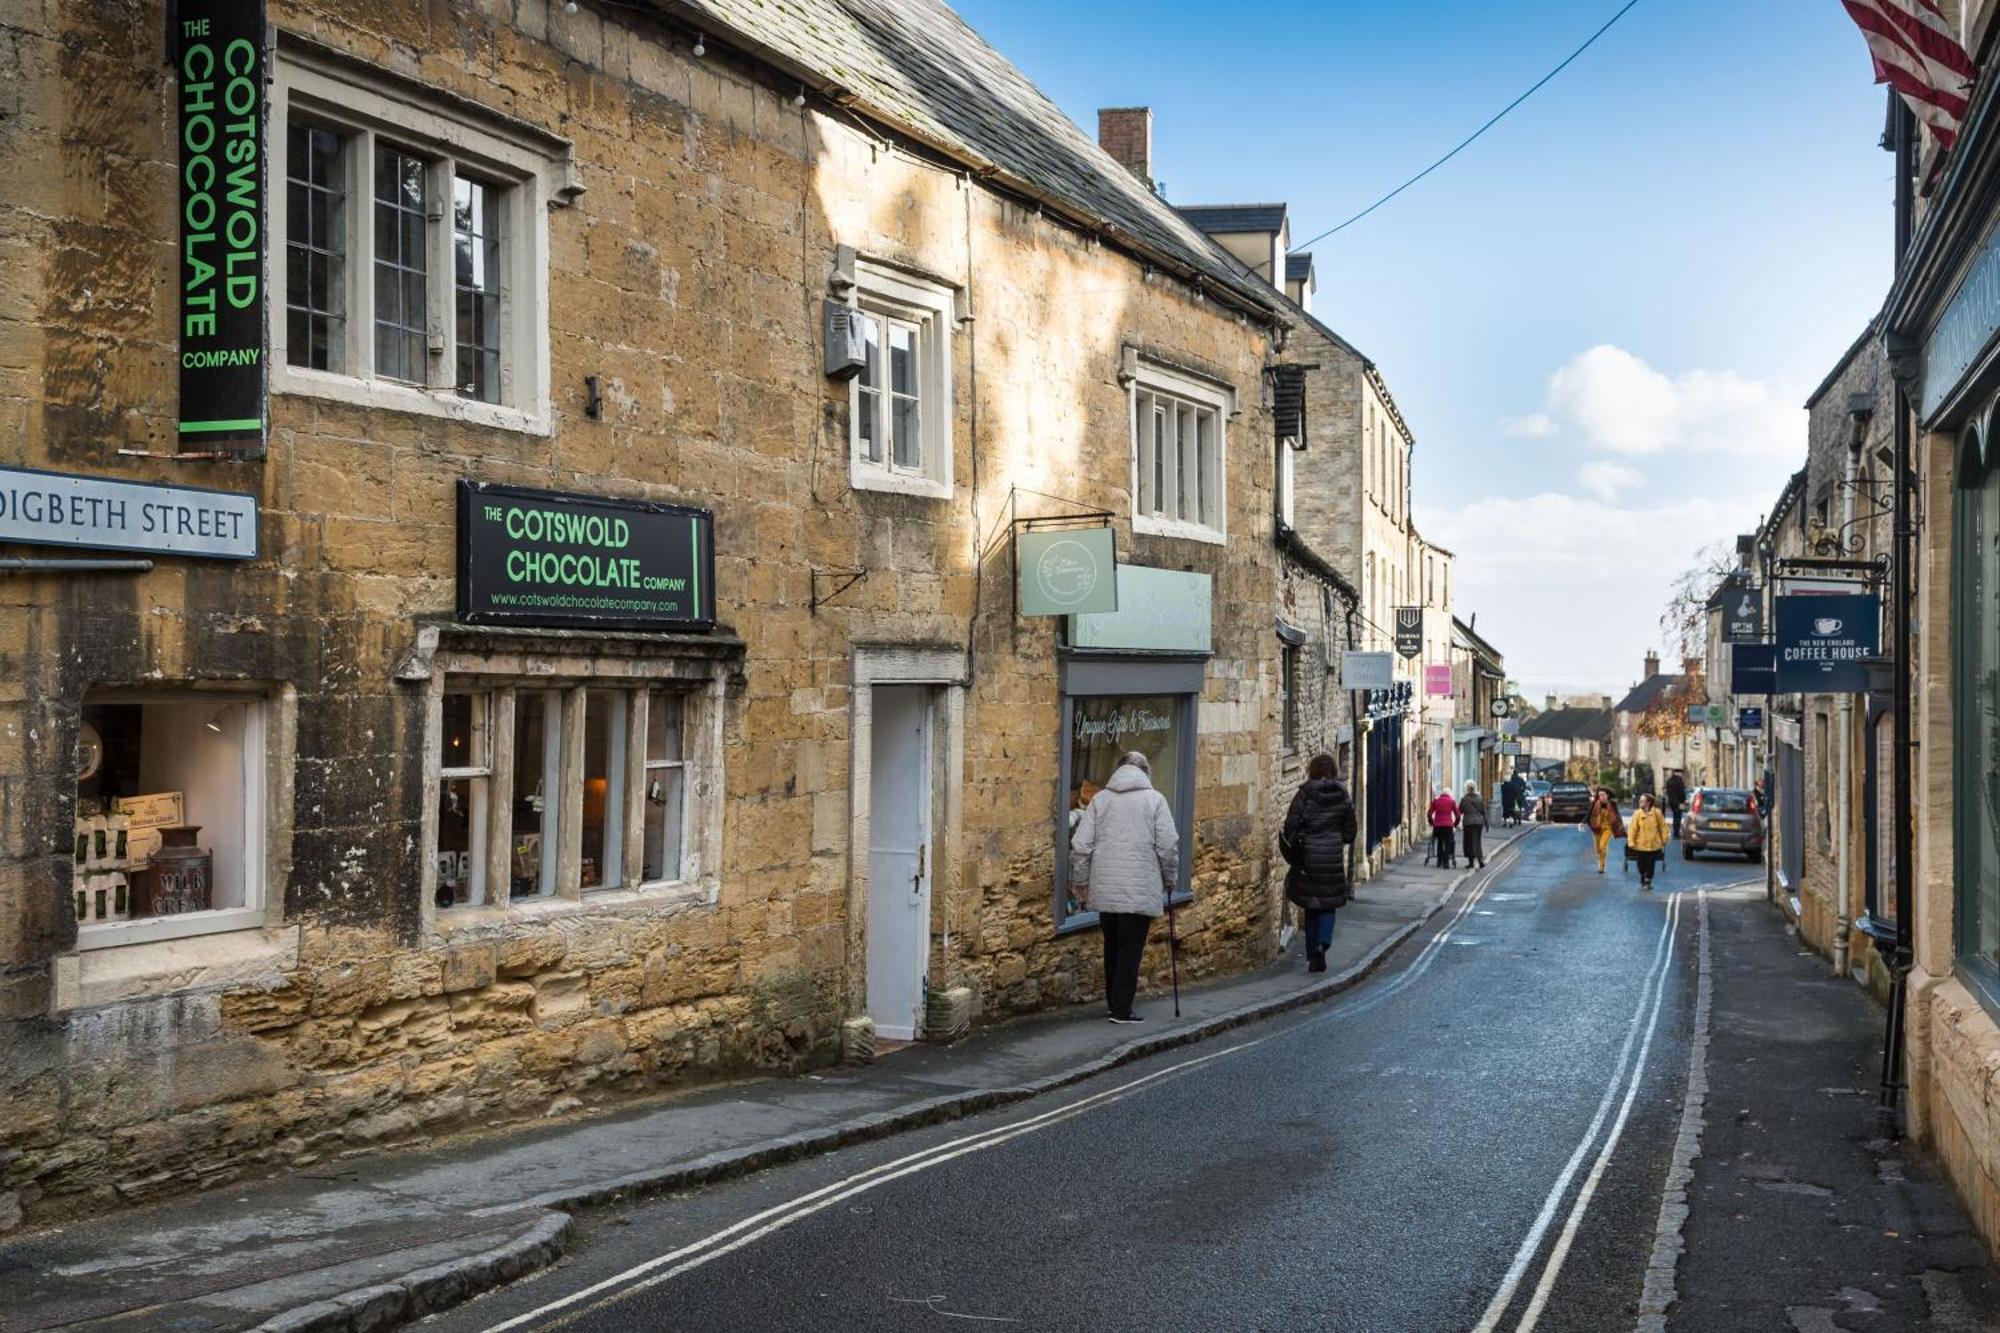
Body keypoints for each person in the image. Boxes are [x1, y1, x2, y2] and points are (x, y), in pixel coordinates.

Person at [1070, 751, 1178, 1024]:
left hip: (1106, 889)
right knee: (1131, 947)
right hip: (1140, 888)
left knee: (1113, 945)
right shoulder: (1155, 801)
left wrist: (1081, 882)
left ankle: (1114, 1003)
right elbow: (1168, 847)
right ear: (1145, 772)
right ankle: (1122, 1009)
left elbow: (1080, 846)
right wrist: (1170, 878)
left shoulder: (1100, 800)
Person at [1280, 754, 1358, 973]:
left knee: (1310, 904)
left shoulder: (1305, 793)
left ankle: (1312, 953)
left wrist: (1302, 838)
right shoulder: (1342, 794)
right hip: (1331, 856)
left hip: (1308, 855)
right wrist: (1335, 839)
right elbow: (1351, 831)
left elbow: (1291, 825)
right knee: (1328, 904)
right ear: (1333, 770)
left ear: (1312, 770)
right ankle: (1323, 944)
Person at [1628, 793, 1669, 891]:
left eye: (1642, 801)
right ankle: (1643, 876)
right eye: (1640, 800)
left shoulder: (1656, 813)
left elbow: (1662, 827)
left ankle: (1648, 880)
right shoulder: (1637, 814)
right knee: (1640, 865)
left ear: (1648, 803)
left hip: (1653, 845)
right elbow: (1632, 829)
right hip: (1640, 845)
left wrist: (1664, 839)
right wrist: (1631, 841)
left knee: (1650, 864)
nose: (1640, 802)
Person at [1586, 786, 1623, 874]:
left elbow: (1617, 815)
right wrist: (1583, 822)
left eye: (1603, 795)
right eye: (1599, 795)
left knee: (1603, 846)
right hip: (1596, 828)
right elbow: (1589, 813)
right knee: (1598, 849)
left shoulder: (1612, 804)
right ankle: (1601, 858)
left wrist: (1620, 825)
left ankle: (1601, 866)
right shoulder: (1596, 804)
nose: (1601, 797)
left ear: (1607, 795)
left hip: (1608, 828)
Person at [1426, 785, 1459, 868]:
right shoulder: (1452, 802)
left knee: (1440, 843)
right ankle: (1446, 863)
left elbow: (1429, 813)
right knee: (1448, 844)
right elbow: (1458, 815)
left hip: (1438, 827)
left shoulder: (1436, 801)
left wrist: (1432, 822)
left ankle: (1439, 861)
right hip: (1448, 827)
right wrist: (1455, 824)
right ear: (1449, 794)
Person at [1458, 780, 1489, 868]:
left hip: (1468, 822)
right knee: (1477, 842)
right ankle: (1480, 861)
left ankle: (1471, 863)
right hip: (1479, 822)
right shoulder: (1479, 798)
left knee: (1469, 842)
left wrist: (1456, 821)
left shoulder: (1464, 799)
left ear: (1467, 789)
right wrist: (1486, 824)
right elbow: (1484, 812)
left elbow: (1459, 811)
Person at [1665, 769, 1687, 840]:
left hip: (1671, 801)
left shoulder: (1669, 780)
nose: (1682, 775)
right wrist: (1683, 801)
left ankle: (1675, 832)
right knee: (1678, 817)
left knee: (1675, 816)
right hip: (1679, 802)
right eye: (1681, 773)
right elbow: (1682, 792)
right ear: (1679, 773)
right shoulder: (1679, 781)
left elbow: (1667, 791)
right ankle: (1676, 833)